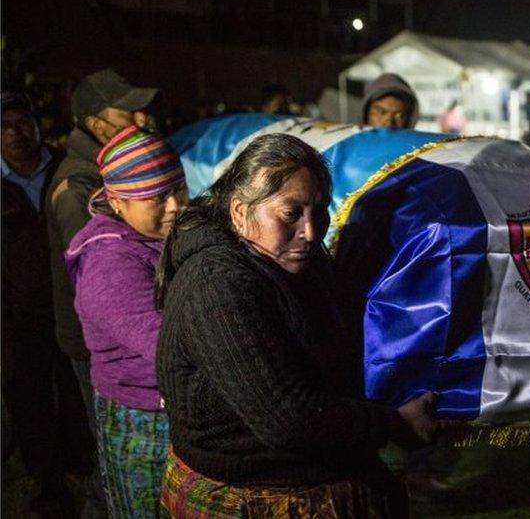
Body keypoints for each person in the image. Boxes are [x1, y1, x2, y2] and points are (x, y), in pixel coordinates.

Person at [154, 133, 440, 517]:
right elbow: (288, 419)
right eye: (291, 213)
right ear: (239, 212)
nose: (310, 231)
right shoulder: (216, 285)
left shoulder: (294, 261)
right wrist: (393, 423)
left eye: (318, 211)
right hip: (255, 497)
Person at [47, 68, 158, 517]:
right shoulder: (78, 188)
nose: (143, 118)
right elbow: (102, 277)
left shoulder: (106, 170)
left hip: (113, 341)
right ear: (96, 124)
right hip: (99, 347)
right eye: (129, 111)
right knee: (113, 463)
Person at [64, 127, 187, 517]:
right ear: (117, 202)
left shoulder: (156, 234)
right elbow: (166, 344)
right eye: (156, 198)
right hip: (144, 420)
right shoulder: (107, 264)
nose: (174, 206)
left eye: (178, 189)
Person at [1, 90, 82, 517]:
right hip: (17, 315)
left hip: (69, 305)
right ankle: (47, 480)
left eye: (21, 122)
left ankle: (79, 460)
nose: (14, 133)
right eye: (3, 126)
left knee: (74, 389)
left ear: (36, 125)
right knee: (29, 395)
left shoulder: (65, 169)